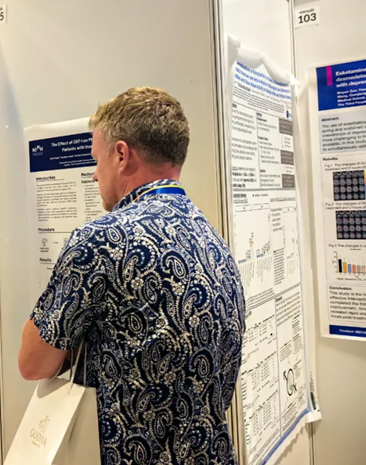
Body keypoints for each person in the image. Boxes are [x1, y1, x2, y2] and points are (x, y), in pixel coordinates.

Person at [18, 87, 245, 465]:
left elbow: (32, 363)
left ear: (121, 155)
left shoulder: (100, 241)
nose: (94, 175)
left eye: (96, 160)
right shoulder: (215, 242)